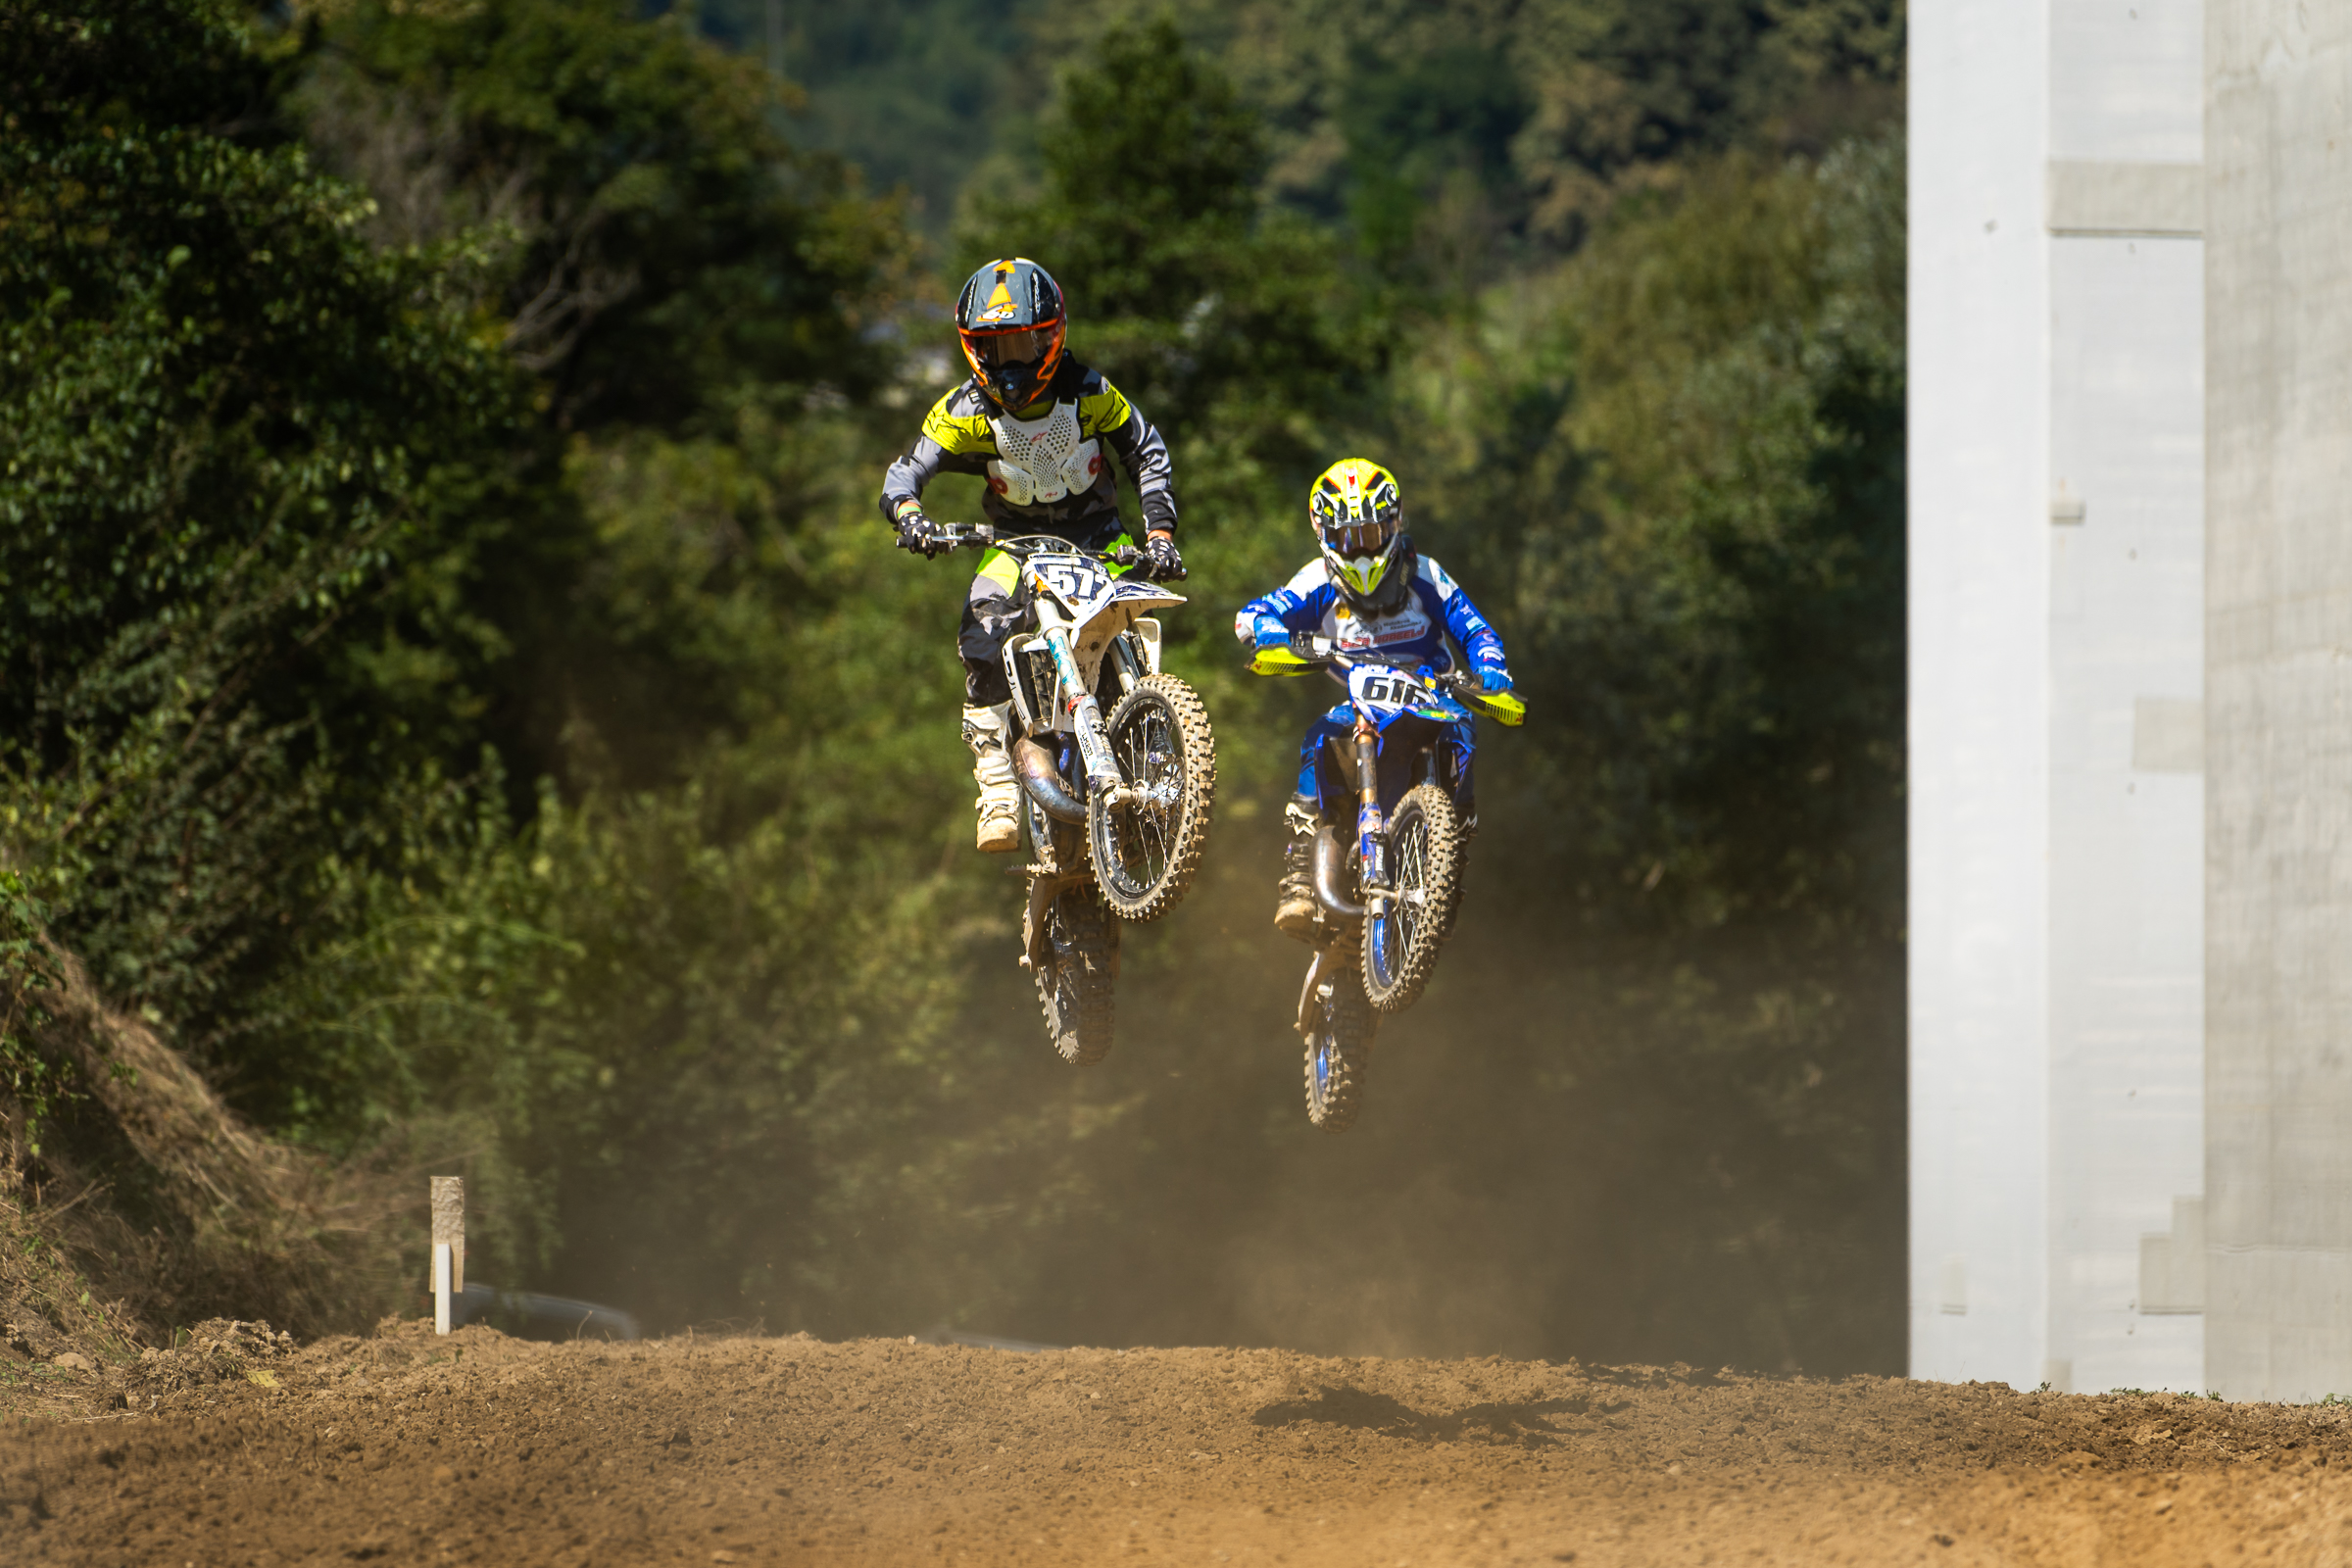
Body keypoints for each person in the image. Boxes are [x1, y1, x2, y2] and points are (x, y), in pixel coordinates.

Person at [882, 258, 1184, 852]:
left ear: (1052, 336)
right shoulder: (964, 412)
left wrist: (1161, 536)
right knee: (981, 626)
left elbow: (1146, 452)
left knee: (1134, 613)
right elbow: (905, 473)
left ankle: (1158, 746)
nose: (1011, 363)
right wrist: (912, 517)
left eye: (1024, 344)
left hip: (1101, 539)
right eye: (995, 348)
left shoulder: (1092, 394)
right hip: (1012, 544)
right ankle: (996, 784)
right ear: (973, 349)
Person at [1231, 458, 1511, 940]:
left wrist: (1490, 668)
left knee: (1464, 729)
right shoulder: (1317, 579)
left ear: (1395, 525)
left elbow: (1476, 629)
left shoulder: (1425, 574)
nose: (1361, 549)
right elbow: (1252, 614)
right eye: (1348, 538)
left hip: (1433, 695)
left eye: (1371, 533)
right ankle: (1299, 874)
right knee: (1319, 736)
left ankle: (1451, 866)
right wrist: (1271, 633)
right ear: (1324, 535)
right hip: (1363, 704)